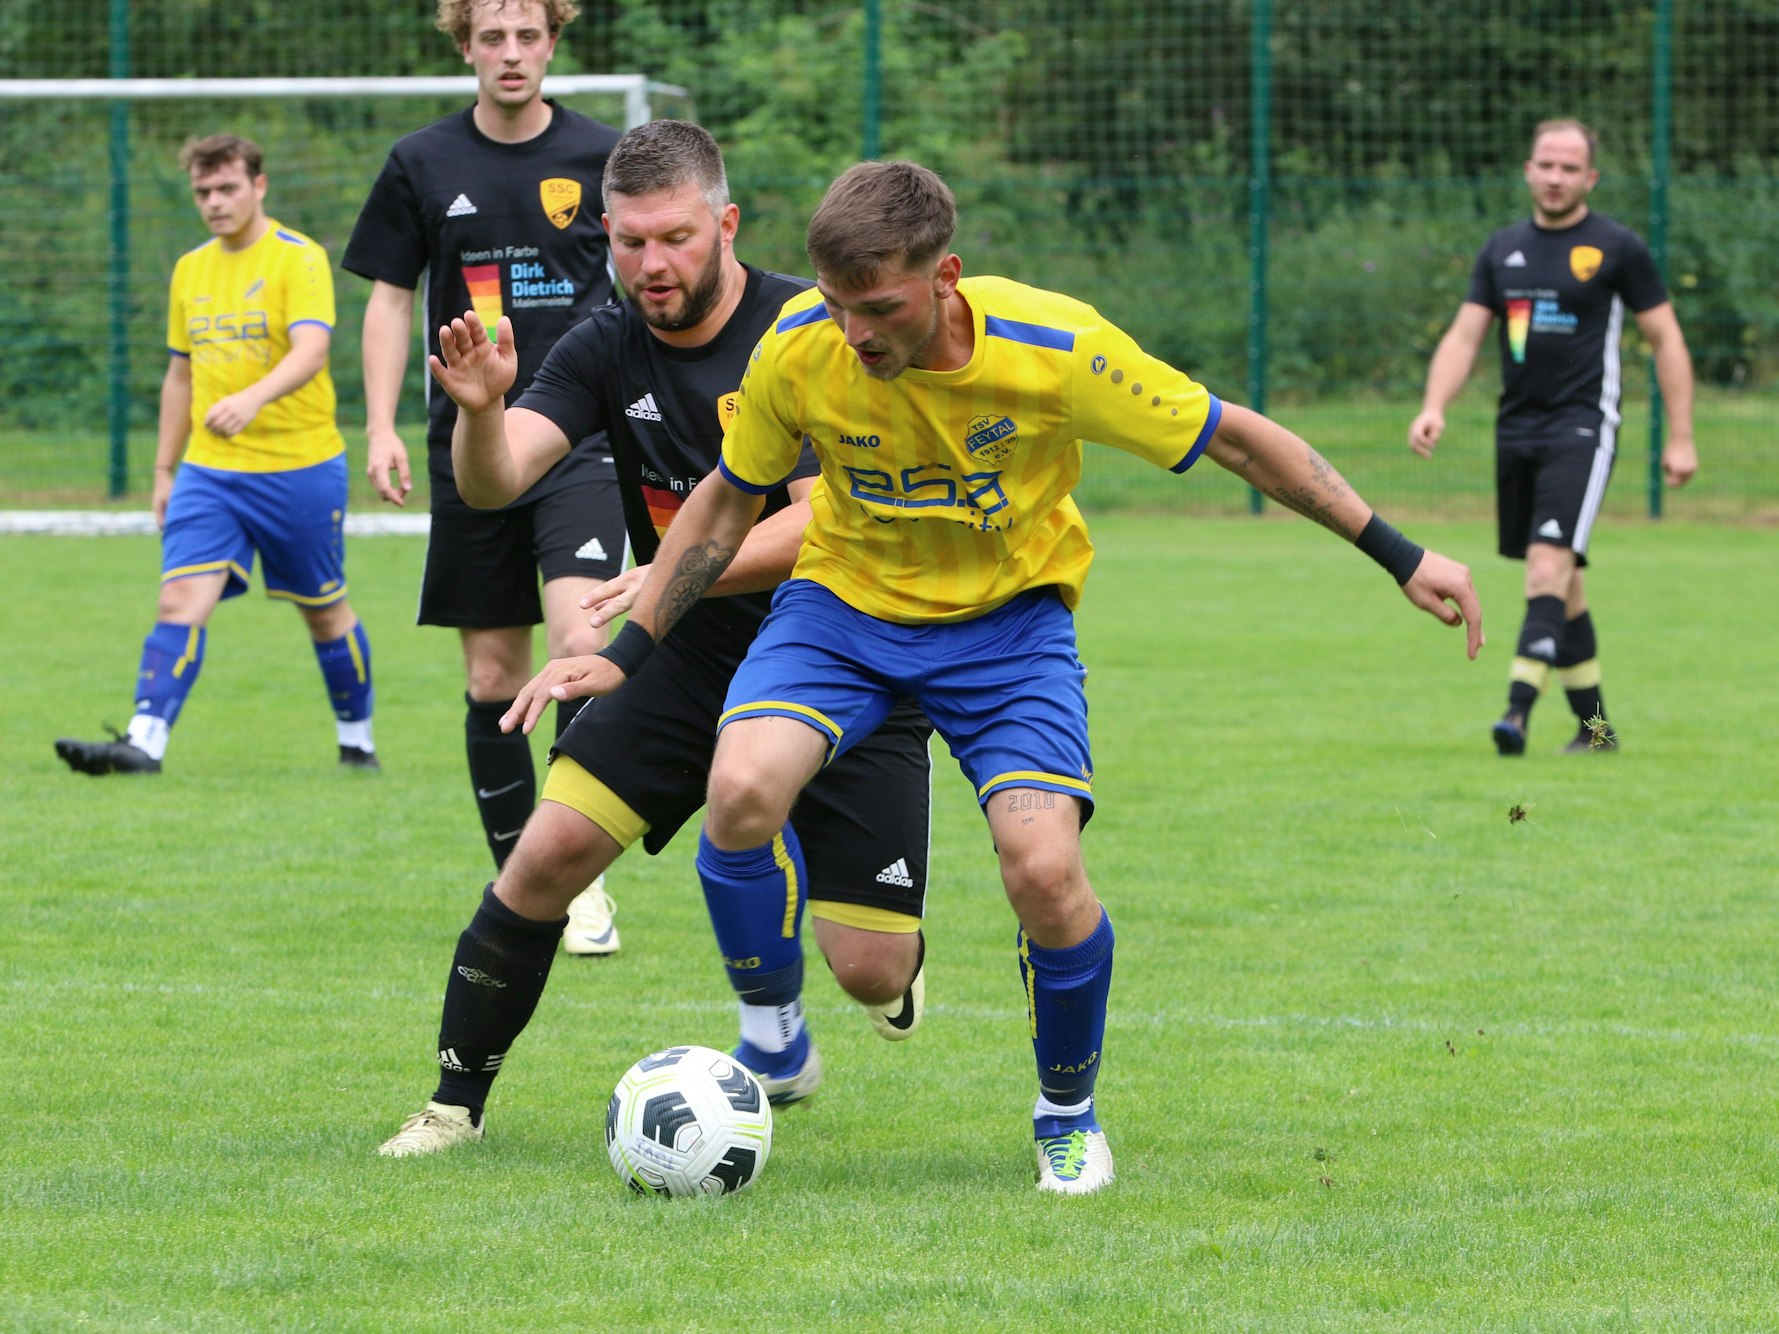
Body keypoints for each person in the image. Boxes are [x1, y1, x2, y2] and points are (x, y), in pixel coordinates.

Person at [445, 160, 1485, 1194]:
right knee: (741, 786)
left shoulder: (1056, 348)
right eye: (840, 304)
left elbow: (1243, 443)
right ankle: (772, 1034)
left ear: (946, 276)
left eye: (881, 307)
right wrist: (625, 656)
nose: (857, 332)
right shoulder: (801, 347)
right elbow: (726, 501)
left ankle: (1066, 1114)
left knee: (1043, 872)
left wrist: (1403, 554)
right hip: (843, 612)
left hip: (1008, 629)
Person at [378, 122, 936, 1158]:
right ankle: (453, 1102)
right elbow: (499, 482)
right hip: (682, 647)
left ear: (723, 224)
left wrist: (682, 565)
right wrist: (482, 413)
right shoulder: (599, 342)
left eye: (674, 237)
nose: (651, 264)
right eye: (629, 241)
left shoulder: (810, 330)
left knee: (872, 967)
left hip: (845, 650)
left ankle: (857, 968)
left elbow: (820, 515)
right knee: (546, 852)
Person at [342, 0, 629, 952]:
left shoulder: (603, 158)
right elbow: (390, 301)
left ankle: (576, 878)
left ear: (553, 41)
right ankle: (523, 877)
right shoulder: (421, 163)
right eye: (491, 38)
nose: (511, 54)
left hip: (580, 432)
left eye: (527, 35)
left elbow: (656, 283)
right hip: (472, 441)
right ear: (464, 47)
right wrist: (380, 424)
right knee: (492, 675)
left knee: (579, 636)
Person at [55, 134, 377, 777]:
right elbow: (180, 376)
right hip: (211, 471)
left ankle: (357, 742)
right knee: (180, 601)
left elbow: (311, 350)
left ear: (258, 186)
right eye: (202, 192)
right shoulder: (190, 268)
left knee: (323, 611)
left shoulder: (298, 258)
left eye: (227, 188)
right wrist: (163, 471)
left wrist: (253, 398)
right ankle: (143, 744)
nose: (214, 202)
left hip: (300, 467)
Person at [1410, 118, 1698, 756]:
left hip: (1583, 430)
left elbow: (1666, 339)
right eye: (1547, 165)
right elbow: (1464, 337)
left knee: (1546, 566)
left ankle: (1516, 712)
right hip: (1516, 431)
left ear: (1590, 177)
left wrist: (1681, 435)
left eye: (1571, 168)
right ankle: (1597, 733)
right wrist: (1434, 405)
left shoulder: (1617, 248)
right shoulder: (1502, 249)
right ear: (1529, 170)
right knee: (1564, 585)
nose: (1557, 177)